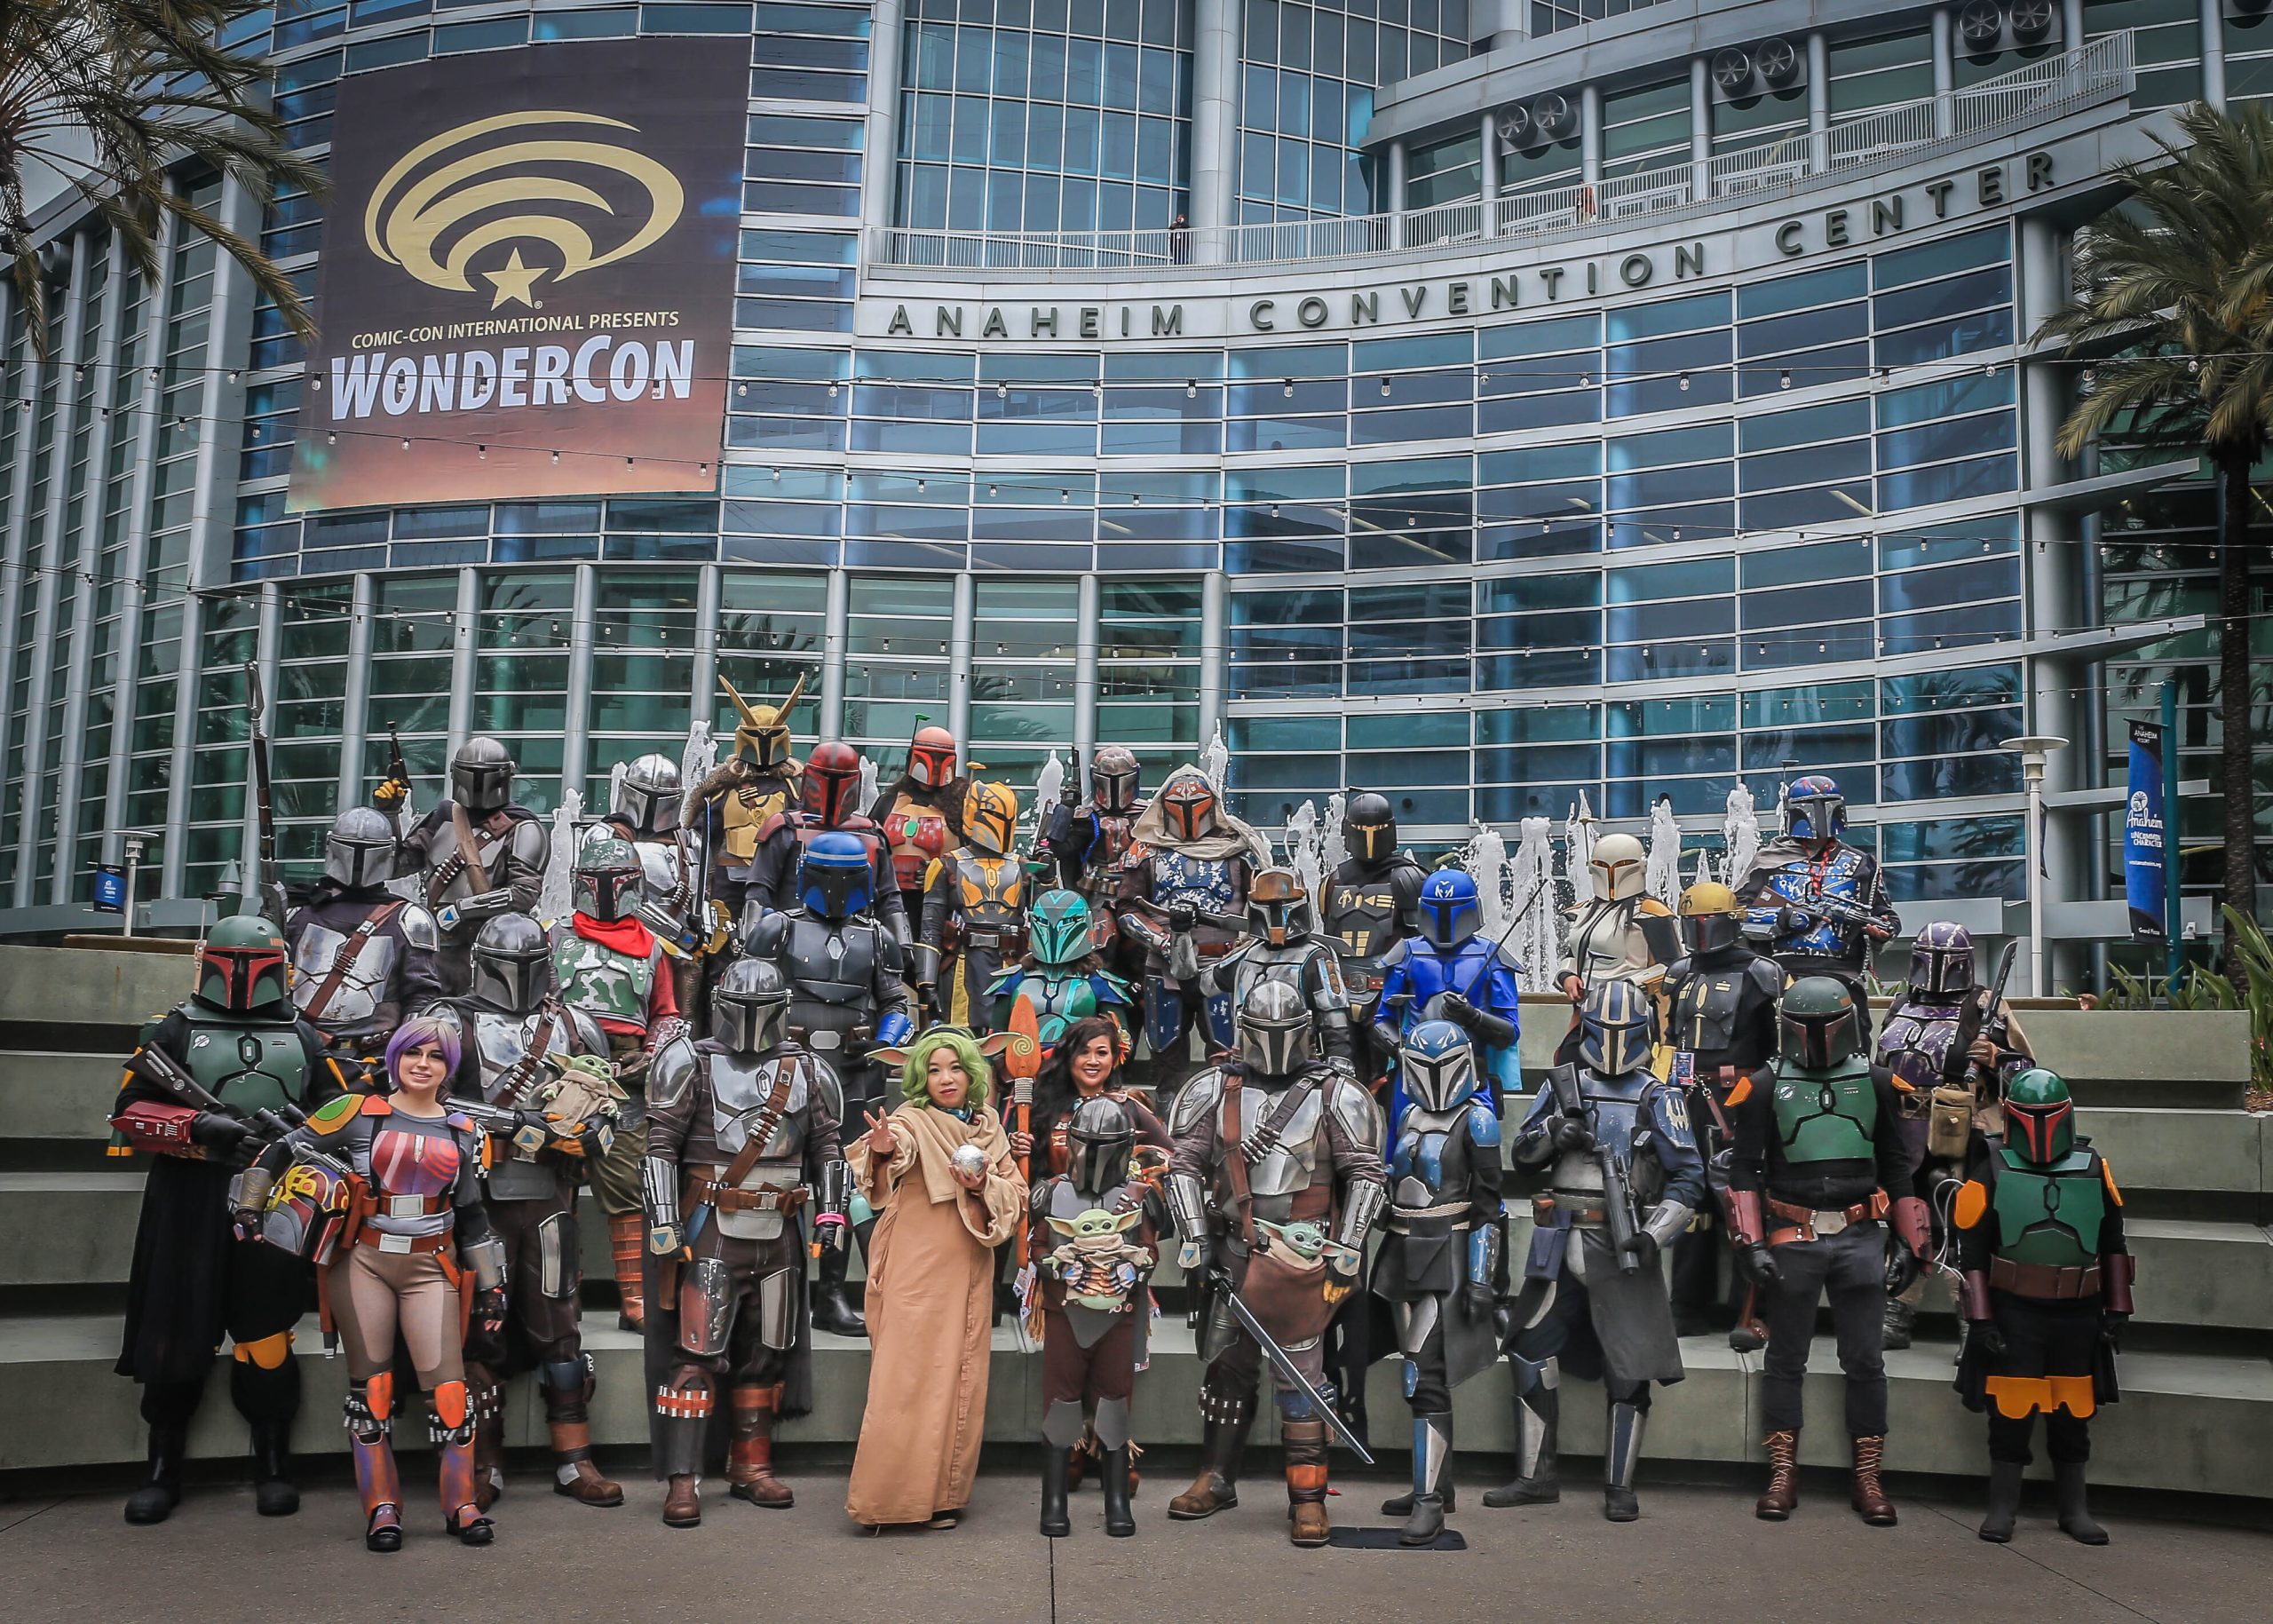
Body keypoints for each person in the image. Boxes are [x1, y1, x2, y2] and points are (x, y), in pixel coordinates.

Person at [109, 915, 350, 1525]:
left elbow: (339, 1108)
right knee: (174, 1327)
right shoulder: (174, 1028)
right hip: (188, 1193)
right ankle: (162, 1467)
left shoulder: (303, 1034)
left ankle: (273, 1461)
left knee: (266, 1332)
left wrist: (299, 1136)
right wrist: (197, 1125)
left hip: (275, 1194)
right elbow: (128, 1110)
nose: (243, 975)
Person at [235, 1015, 508, 1551]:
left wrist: (493, 1287)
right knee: (371, 1392)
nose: (422, 1064)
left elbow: (473, 1214)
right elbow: (281, 1148)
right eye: (413, 1053)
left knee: (451, 1394)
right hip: (364, 1261)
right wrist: (249, 1205)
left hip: (432, 1265)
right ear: (395, 1058)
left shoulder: (465, 1130)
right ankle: (382, 1507)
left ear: (449, 1066)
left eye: (435, 1056)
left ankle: (461, 1503)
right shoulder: (356, 1110)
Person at [1163, 980, 1387, 1548]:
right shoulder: (1213, 1087)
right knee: (1228, 1368)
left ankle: (1308, 1498)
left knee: (1301, 1377)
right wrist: (1194, 1236)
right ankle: (1217, 1478)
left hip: (1302, 1255)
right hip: (1232, 1249)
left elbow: (1365, 1174)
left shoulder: (1336, 1092)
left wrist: (1348, 1247)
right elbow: (1184, 1165)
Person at [644, 959, 851, 1528]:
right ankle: (683, 1477)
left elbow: (828, 1149)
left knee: (767, 1352)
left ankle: (751, 1465)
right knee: (696, 1351)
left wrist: (831, 1213)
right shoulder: (690, 1060)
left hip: (781, 1227)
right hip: (711, 1224)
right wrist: (664, 1219)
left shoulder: (809, 1068)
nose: (753, 1018)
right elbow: (660, 1147)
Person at [1492, 978, 1702, 1523]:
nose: (1611, 1042)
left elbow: (1689, 1178)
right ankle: (1536, 1477)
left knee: (1628, 1365)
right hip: (1560, 1236)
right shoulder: (1566, 1087)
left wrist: (1652, 1234)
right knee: (1530, 1348)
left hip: (1623, 1238)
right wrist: (1555, 1132)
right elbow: (1523, 1156)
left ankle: (1619, 1485)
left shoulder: (1659, 1097)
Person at [1725, 976, 1929, 1526]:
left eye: (1824, 1024)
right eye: (1804, 1026)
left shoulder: (1878, 1082)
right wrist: (1749, 1242)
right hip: (1792, 1235)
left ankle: (1868, 1477)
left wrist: (1911, 1242)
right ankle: (1782, 1473)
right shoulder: (1765, 1086)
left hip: (1860, 1233)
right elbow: (1743, 1169)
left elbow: (1898, 1166)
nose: (1815, 1035)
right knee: (1784, 1358)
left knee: (1865, 1360)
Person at [432, 913, 619, 1511]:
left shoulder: (575, 1024)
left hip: (549, 1195)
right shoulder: (449, 1020)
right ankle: (484, 1459)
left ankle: (573, 1457)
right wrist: (512, 1122)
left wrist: (593, 1135)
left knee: (560, 1327)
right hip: (478, 1199)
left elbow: (609, 1106)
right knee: (479, 1329)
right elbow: (427, 1099)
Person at [843, 1029, 1026, 1530]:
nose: (946, 1078)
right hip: (916, 1266)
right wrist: (883, 1148)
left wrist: (983, 1183)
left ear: (972, 1073)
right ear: (920, 1077)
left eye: (956, 1067)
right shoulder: (910, 1119)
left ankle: (943, 1497)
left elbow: (1016, 1194)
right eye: (935, 1069)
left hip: (970, 1267)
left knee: (960, 1377)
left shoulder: (990, 1125)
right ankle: (887, 1502)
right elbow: (892, 1150)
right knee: (904, 1379)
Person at [741, 830, 915, 1335]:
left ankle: (832, 1294)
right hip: (786, 1075)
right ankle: (776, 1286)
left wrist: (881, 1040)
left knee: (846, 1185)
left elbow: (898, 1006)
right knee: (779, 1181)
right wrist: (774, 1042)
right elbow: (745, 995)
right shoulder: (777, 928)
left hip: (857, 1076)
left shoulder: (877, 937)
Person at [1955, 1067, 2133, 1546]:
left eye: (2049, 1113)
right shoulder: (1990, 1165)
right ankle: (2002, 1509)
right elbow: (1972, 1252)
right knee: (2010, 1412)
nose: (2039, 1124)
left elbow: (2113, 1242)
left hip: (2079, 1309)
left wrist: (2118, 1308)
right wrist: (1981, 1318)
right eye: (2030, 1114)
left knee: (2073, 1412)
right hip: (2015, 1309)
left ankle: (2074, 1509)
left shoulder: (2093, 1166)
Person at [1371, 1019, 1504, 1546]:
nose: (1431, 1076)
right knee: (1416, 1372)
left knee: (1423, 1374)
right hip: (1402, 1248)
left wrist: (1481, 1278)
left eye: (1440, 1066)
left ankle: (1430, 1501)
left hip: (1448, 1250)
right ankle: (1434, 1487)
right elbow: (1394, 1183)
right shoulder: (1408, 1114)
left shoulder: (1478, 1120)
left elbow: (1490, 1207)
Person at [1873, 922, 2032, 1349]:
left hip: (1963, 1131)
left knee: (1963, 1227)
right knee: (1907, 1223)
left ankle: (1971, 1319)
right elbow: (1880, 1065)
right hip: (1901, 1132)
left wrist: (1997, 1057)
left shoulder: (1984, 1005)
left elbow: (2027, 1074)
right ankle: (1897, 1310)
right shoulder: (1901, 1003)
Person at [552, 834, 682, 1333]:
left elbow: (666, 1013)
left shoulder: (653, 946)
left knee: (627, 1184)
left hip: (626, 1075)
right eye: (596, 880)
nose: (606, 889)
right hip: (562, 1070)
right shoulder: (554, 937)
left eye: (616, 880)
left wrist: (650, 1055)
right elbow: (536, 1002)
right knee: (558, 1183)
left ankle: (635, 1298)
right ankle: (561, 1294)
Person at [1034, 1094, 1168, 1539]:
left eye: (1105, 1144)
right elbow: (1037, 1246)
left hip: (1119, 1315)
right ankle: (1054, 1502)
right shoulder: (1051, 1192)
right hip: (1065, 1312)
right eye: (1087, 1143)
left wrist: (1135, 1269)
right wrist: (1057, 1267)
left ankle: (1116, 1501)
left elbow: (1149, 1248)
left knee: (1114, 1406)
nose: (1095, 1153)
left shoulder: (1139, 1197)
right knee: (1060, 1407)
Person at [1659, 880, 1784, 1344]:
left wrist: (1759, 1094)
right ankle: (1687, 1303)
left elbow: (1777, 1049)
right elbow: (1670, 1039)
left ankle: (1752, 1308)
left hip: (1742, 1099)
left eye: (1708, 921)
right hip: (1687, 1096)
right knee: (1690, 1198)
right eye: (1692, 923)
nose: (1701, 931)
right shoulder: (1679, 973)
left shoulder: (1763, 973)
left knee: (1745, 1199)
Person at [1112, 766, 1266, 1089]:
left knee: (1228, 1055)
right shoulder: (1146, 850)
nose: (1187, 813)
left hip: (1224, 966)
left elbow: (1264, 902)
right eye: (1177, 805)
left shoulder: (1238, 847)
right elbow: (1126, 908)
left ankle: (1224, 1113)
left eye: (1196, 804)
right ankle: (1169, 1115)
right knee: (1166, 1057)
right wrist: (1163, 941)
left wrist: (1248, 944)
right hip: (1163, 965)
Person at [377, 736, 549, 994]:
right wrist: (390, 815)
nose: (478, 783)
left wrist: (460, 910)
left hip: (493, 952)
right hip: (435, 952)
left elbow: (523, 895)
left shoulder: (523, 828)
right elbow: (393, 866)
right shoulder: (443, 817)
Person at [284, 807, 440, 1081]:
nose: (357, 860)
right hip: (298, 1053)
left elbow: (421, 998)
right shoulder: (296, 910)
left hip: (373, 1061)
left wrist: (404, 1056)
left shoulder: (409, 919)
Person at [1735, 774, 1899, 1017]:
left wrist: (1882, 932)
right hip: (1778, 975)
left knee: (1856, 1036)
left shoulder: (1861, 863)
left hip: (1842, 976)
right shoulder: (1769, 861)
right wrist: (1784, 918)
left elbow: (1888, 918)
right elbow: (1736, 914)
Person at [1373, 868, 1524, 1116]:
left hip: (1471, 1073)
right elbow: (1382, 1021)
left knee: (1480, 1130)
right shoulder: (1406, 953)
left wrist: (1472, 1017)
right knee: (1405, 1133)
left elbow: (1509, 1033)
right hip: (1413, 1074)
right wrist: (1403, 1052)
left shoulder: (1492, 956)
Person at [747, 739, 909, 946]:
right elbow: (759, 891)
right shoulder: (785, 829)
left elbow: (890, 898)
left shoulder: (871, 833)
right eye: (826, 777)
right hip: (791, 940)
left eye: (841, 779)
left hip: (858, 941)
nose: (833, 788)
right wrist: (753, 940)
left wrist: (904, 946)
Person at [1317, 790, 1429, 1088]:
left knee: (1392, 1079)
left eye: (1376, 830)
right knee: (1341, 1079)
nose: (1368, 837)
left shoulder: (1408, 878)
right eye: (1361, 830)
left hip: (1389, 996)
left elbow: (1423, 945)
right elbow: (1327, 938)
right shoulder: (1333, 882)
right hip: (1340, 996)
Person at [1203, 867, 1357, 1067]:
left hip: (1300, 1069)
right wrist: (1180, 934)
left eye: (1282, 904)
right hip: (1246, 1068)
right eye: (1267, 905)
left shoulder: (1316, 958)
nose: (1275, 913)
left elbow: (1335, 1021)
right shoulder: (1246, 956)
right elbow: (1197, 986)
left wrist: (1339, 1061)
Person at [687, 672, 807, 923]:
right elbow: (699, 839)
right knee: (723, 932)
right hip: (730, 877)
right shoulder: (723, 788)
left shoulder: (795, 787)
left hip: (778, 879)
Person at [603, 753, 717, 1015]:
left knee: (681, 1021)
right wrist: (680, 936)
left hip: (681, 955)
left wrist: (704, 933)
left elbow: (702, 896)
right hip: (620, 946)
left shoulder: (691, 842)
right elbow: (618, 901)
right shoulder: (604, 837)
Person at [1554, 833, 1681, 1061]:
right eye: (1602, 865)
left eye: (1621, 865)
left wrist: (1630, 985)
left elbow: (1672, 967)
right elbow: (1575, 953)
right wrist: (1567, 976)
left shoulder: (1651, 913)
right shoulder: (1583, 911)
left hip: (1632, 1013)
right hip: (1587, 1011)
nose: (1611, 873)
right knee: (1569, 1066)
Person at [917, 780, 1028, 1027]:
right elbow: (930, 928)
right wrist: (926, 984)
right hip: (962, 962)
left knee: (1009, 1035)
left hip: (1010, 963)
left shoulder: (1022, 867)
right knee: (961, 1035)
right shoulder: (946, 865)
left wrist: (1048, 880)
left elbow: (1045, 918)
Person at [986, 890, 1135, 1051]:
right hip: (1022, 1063)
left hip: (1078, 1062)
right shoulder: (1014, 979)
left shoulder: (1100, 983)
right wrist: (1001, 1062)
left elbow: (1121, 1043)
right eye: (1043, 922)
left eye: (1068, 921)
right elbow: (996, 1037)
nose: (1054, 929)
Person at [870, 724, 966, 931]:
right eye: (931, 757)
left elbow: (974, 858)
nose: (935, 765)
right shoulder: (889, 801)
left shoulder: (962, 805)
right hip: (890, 902)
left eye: (941, 758)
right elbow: (869, 846)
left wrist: (942, 872)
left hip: (939, 905)